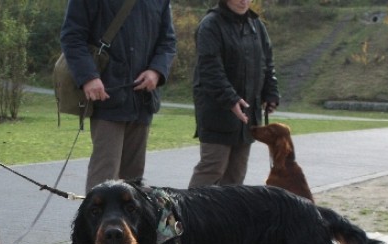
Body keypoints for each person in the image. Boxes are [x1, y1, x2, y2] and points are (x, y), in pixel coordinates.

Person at [60, 0, 177, 191]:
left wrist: (156, 70)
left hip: (142, 99)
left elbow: (168, 42)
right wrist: (88, 77)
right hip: (107, 96)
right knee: (104, 179)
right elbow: (72, 37)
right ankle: (96, 213)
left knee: (134, 184)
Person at [188, 0, 279, 188]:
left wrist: (271, 92)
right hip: (217, 113)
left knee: (236, 174)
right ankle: (191, 208)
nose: (244, 1)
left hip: (247, 114)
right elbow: (210, 69)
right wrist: (231, 99)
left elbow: (267, 63)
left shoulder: (256, 25)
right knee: (213, 168)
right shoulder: (210, 25)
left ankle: (229, 209)